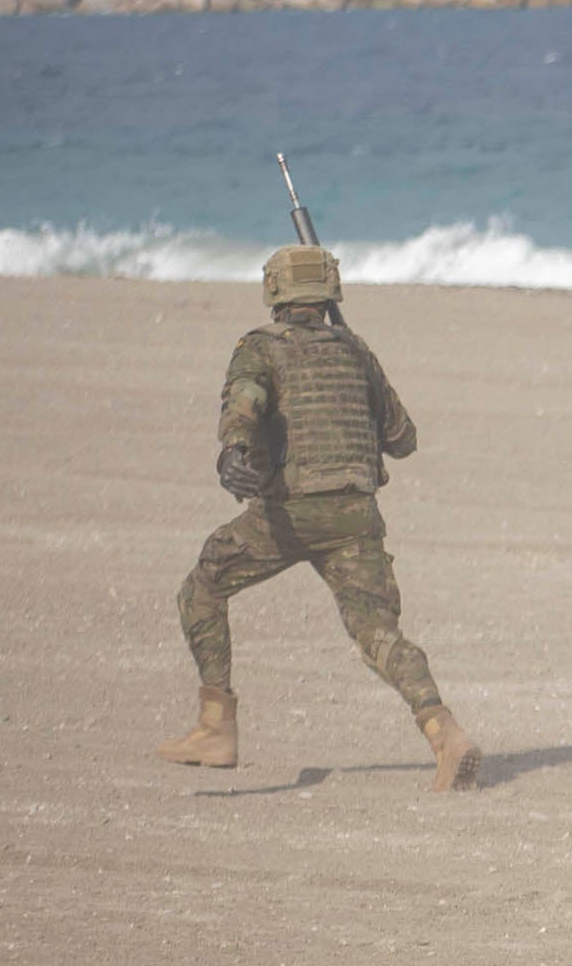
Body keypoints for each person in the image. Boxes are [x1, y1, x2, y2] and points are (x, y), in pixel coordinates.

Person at [155, 244, 480, 791]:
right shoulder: (354, 351)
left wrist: (233, 452)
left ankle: (216, 727)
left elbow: (244, 405)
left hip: (289, 514)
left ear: (274, 292)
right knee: (378, 634)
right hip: (356, 515)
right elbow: (403, 439)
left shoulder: (260, 348)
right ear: (330, 291)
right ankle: (444, 732)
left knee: (203, 587)